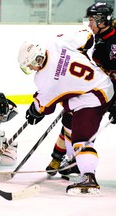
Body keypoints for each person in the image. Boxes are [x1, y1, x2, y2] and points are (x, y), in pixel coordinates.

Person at [17, 29, 114, 195]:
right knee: (68, 122)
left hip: (93, 98)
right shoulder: (56, 42)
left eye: (31, 64)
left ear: (38, 59)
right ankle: (75, 163)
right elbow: (88, 37)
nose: (31, 68)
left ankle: (88, 178)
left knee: (81, 139)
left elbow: (43, 108)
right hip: (98, 84)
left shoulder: (44, 79)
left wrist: (33, 111)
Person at [46, 2, 116, 178]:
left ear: (104, 21)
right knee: (72, 121)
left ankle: (79, 165)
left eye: (93, 20)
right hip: (97, 90)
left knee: (83, 129)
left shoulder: (113, 42)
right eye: (90, 19)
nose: (90, 24)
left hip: (108, 93)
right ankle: (66, 160)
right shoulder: (93, 37)